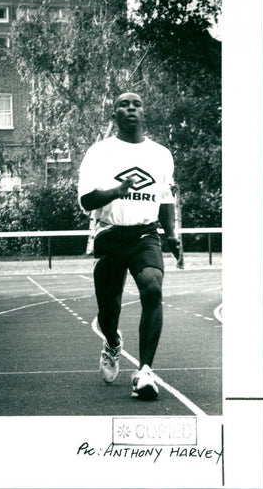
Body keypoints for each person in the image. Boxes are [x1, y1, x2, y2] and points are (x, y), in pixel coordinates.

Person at [78, 91, 181, 400]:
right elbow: (87, 200)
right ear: (115, 114)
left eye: (137, 104)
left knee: (153, 287)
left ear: (143, 112)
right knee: (109, 312)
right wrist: (117, 190)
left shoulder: (160, 154)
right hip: (110, 234)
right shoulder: (100, 152)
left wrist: (172, 235)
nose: (131, 108)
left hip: (145, 235)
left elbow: (165, 198)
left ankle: (146, 370)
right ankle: (112, 343)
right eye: (124, 104)